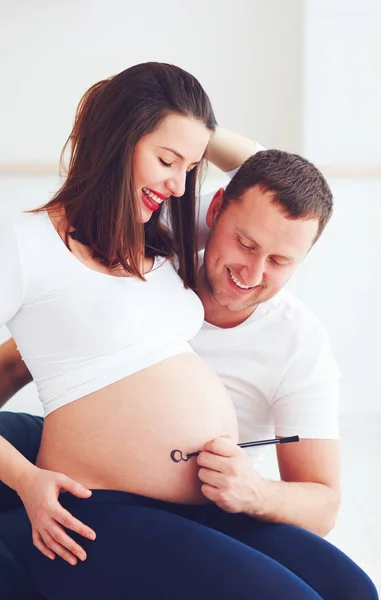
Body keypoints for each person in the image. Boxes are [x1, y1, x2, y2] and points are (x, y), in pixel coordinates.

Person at [0, 73, 378, 597]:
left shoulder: (161, 225)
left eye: (190, 165)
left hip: (198, 505)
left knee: (351, 590)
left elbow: (275, 181)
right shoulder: (25, 246)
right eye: (166, 159)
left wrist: (193, 133)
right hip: (98, 507)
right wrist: (25, 479)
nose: (179, 184)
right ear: (119, 138)